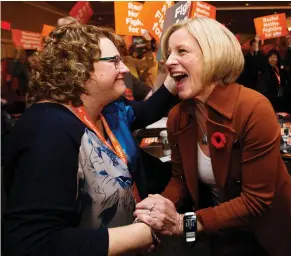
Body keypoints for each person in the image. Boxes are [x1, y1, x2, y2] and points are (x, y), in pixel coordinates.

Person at [2, 22, 177, 256]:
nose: (124, 68)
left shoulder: (107, 111)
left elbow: (146, 111)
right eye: (114, 61)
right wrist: (146, 233)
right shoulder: (49, 130)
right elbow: (34, 243)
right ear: (79, 69)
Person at [134, 17, 291, 256]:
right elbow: (181, 179)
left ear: (212, 55)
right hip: (216, 232)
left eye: (182, 51)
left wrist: (181, 224)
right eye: (168, 53)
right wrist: (159, 207)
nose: (169, 61)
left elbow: (255, 202)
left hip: (264, 237)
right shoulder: (178, 116)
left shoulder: (253, 108)